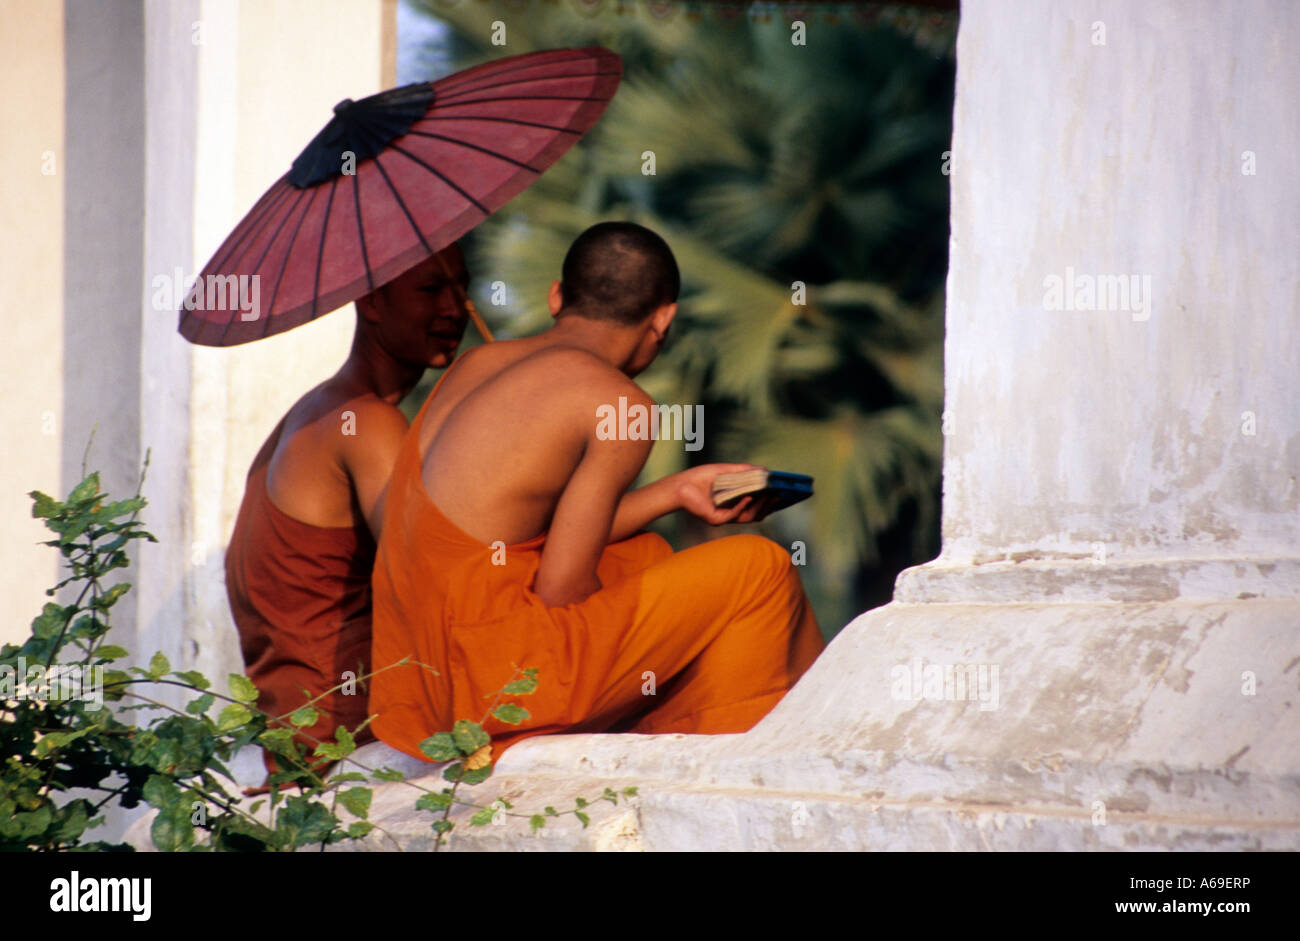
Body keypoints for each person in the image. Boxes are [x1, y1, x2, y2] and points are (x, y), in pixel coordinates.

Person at [370, 222, 825, 767]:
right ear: (664, 319)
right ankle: (734, 756)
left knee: (642, 557)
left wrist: (676, 490)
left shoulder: (475, 365)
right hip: (499, 685)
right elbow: (563, 589)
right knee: (760, 568)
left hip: (419, 682)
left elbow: (521, 541)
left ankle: (698, 733)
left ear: (557, 295)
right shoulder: (621, 405)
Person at [225, 243, 470, 778]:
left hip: (295, 747)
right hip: (346, 749)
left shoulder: (314, 412)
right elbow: (439, 578)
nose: (455, 308)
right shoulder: (366, 424)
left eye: (462, 285)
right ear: (372, 301)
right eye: (431, 289)